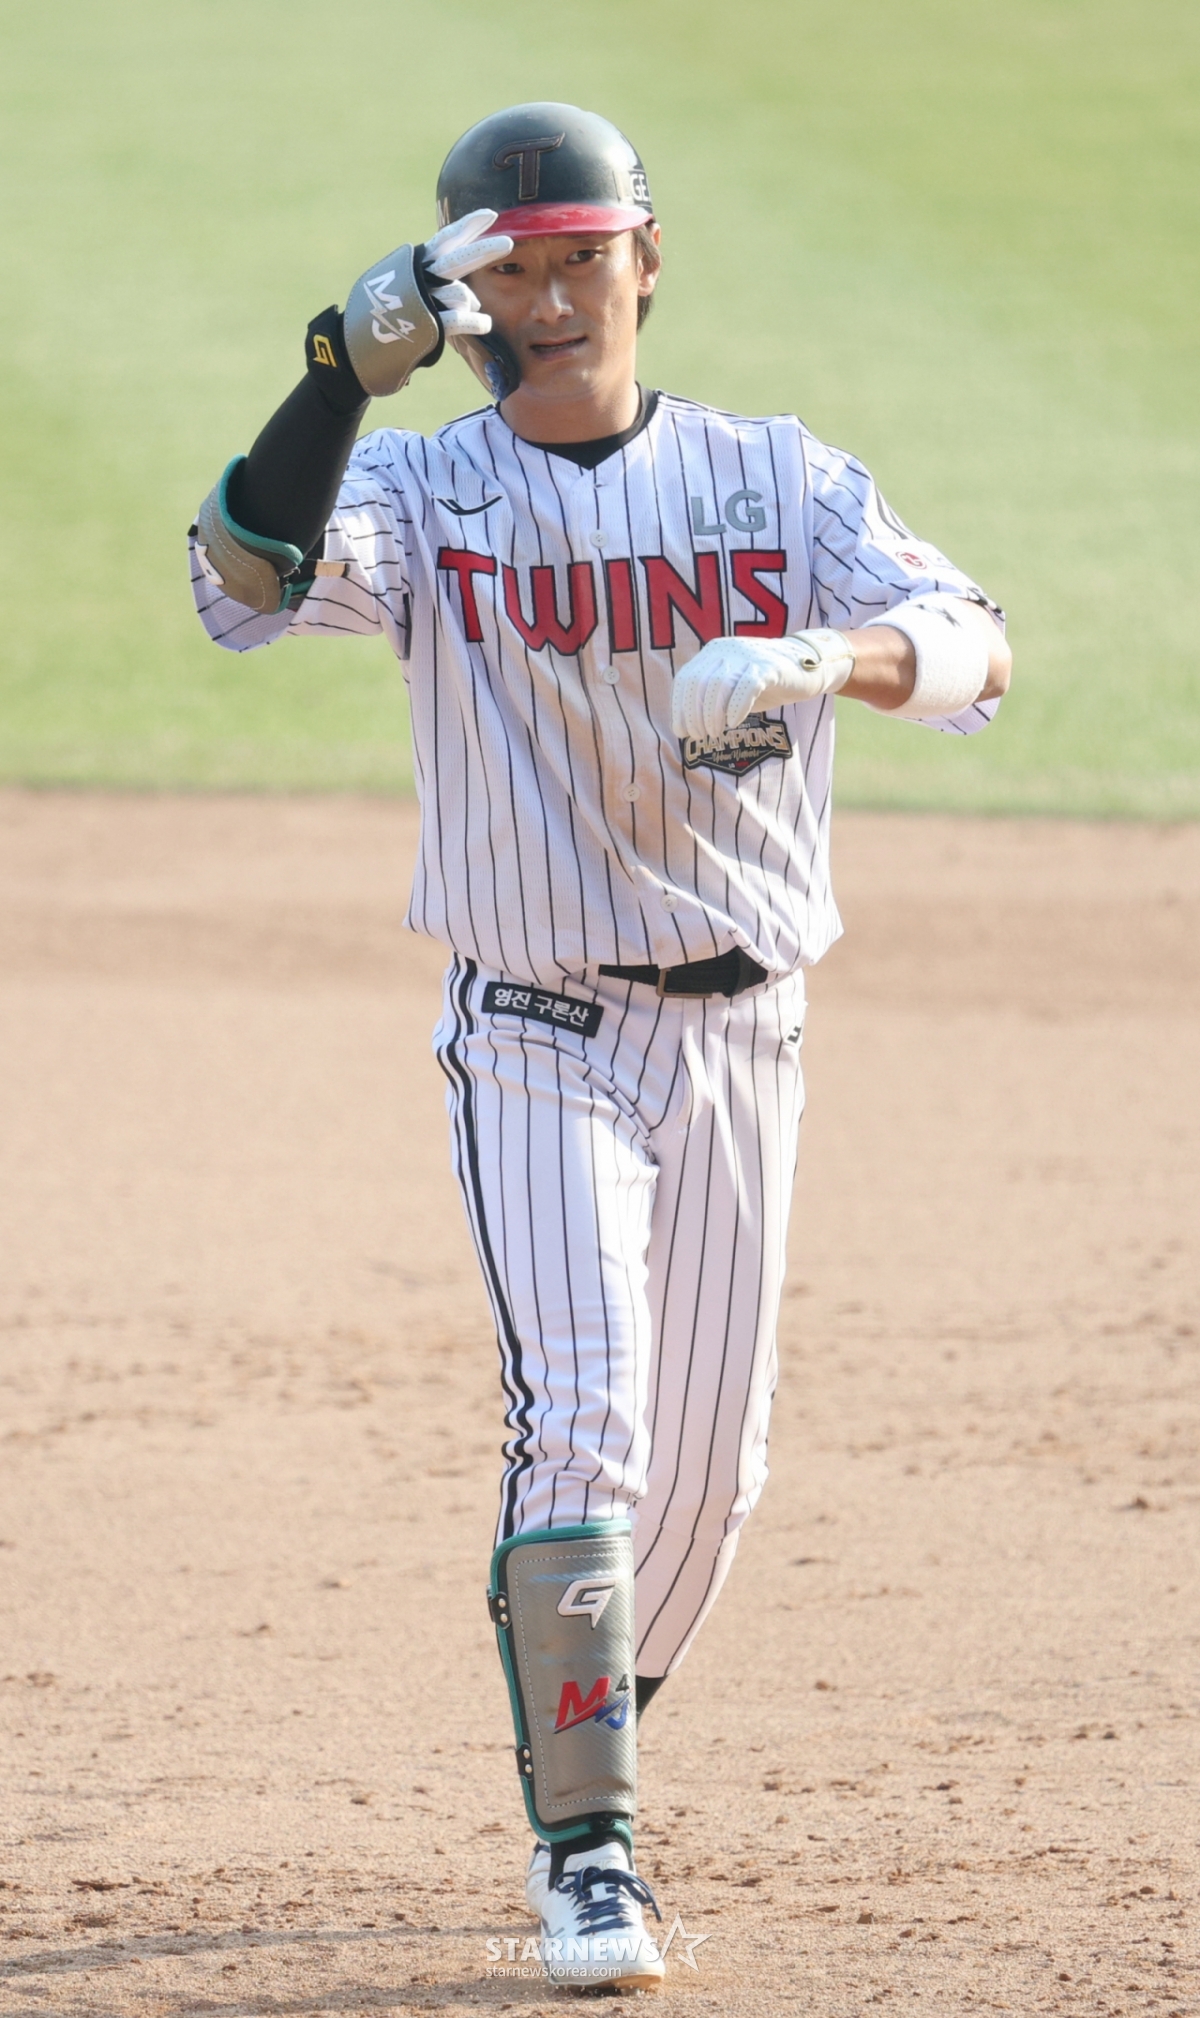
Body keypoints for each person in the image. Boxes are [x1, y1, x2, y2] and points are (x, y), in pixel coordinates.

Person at [190, 102, 1011, 1995]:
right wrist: (334, 376)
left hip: (747, 1036)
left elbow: (975, 642)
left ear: (648, 259)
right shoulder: (420, 496)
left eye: (580, 258)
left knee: (712, 1481)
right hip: (537, 1024)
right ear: (463, 303)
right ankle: (593, 1852)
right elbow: (236, 585)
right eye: (509, 272)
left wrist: (829, 662)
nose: (552, 300)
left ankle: (576, 1716)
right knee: (591, 1414)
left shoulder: (774, 481)